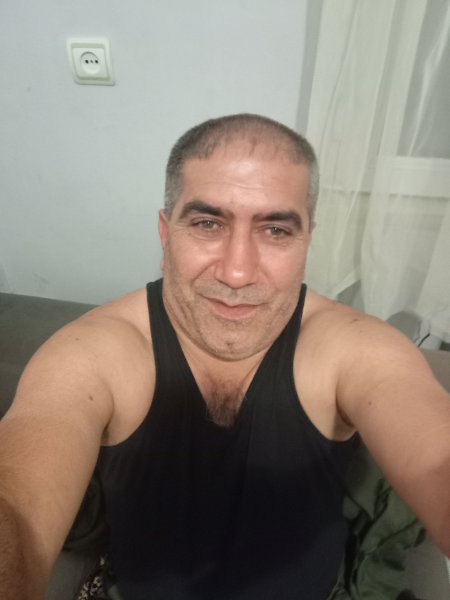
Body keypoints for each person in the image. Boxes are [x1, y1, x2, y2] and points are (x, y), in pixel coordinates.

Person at [0, 114, 449, 600]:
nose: (237, 272)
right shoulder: (95, 352)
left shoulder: (354, 346)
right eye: (208, 223)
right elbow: (20, 494)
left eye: (275, 230)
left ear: (307, 241)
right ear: (165, 233)